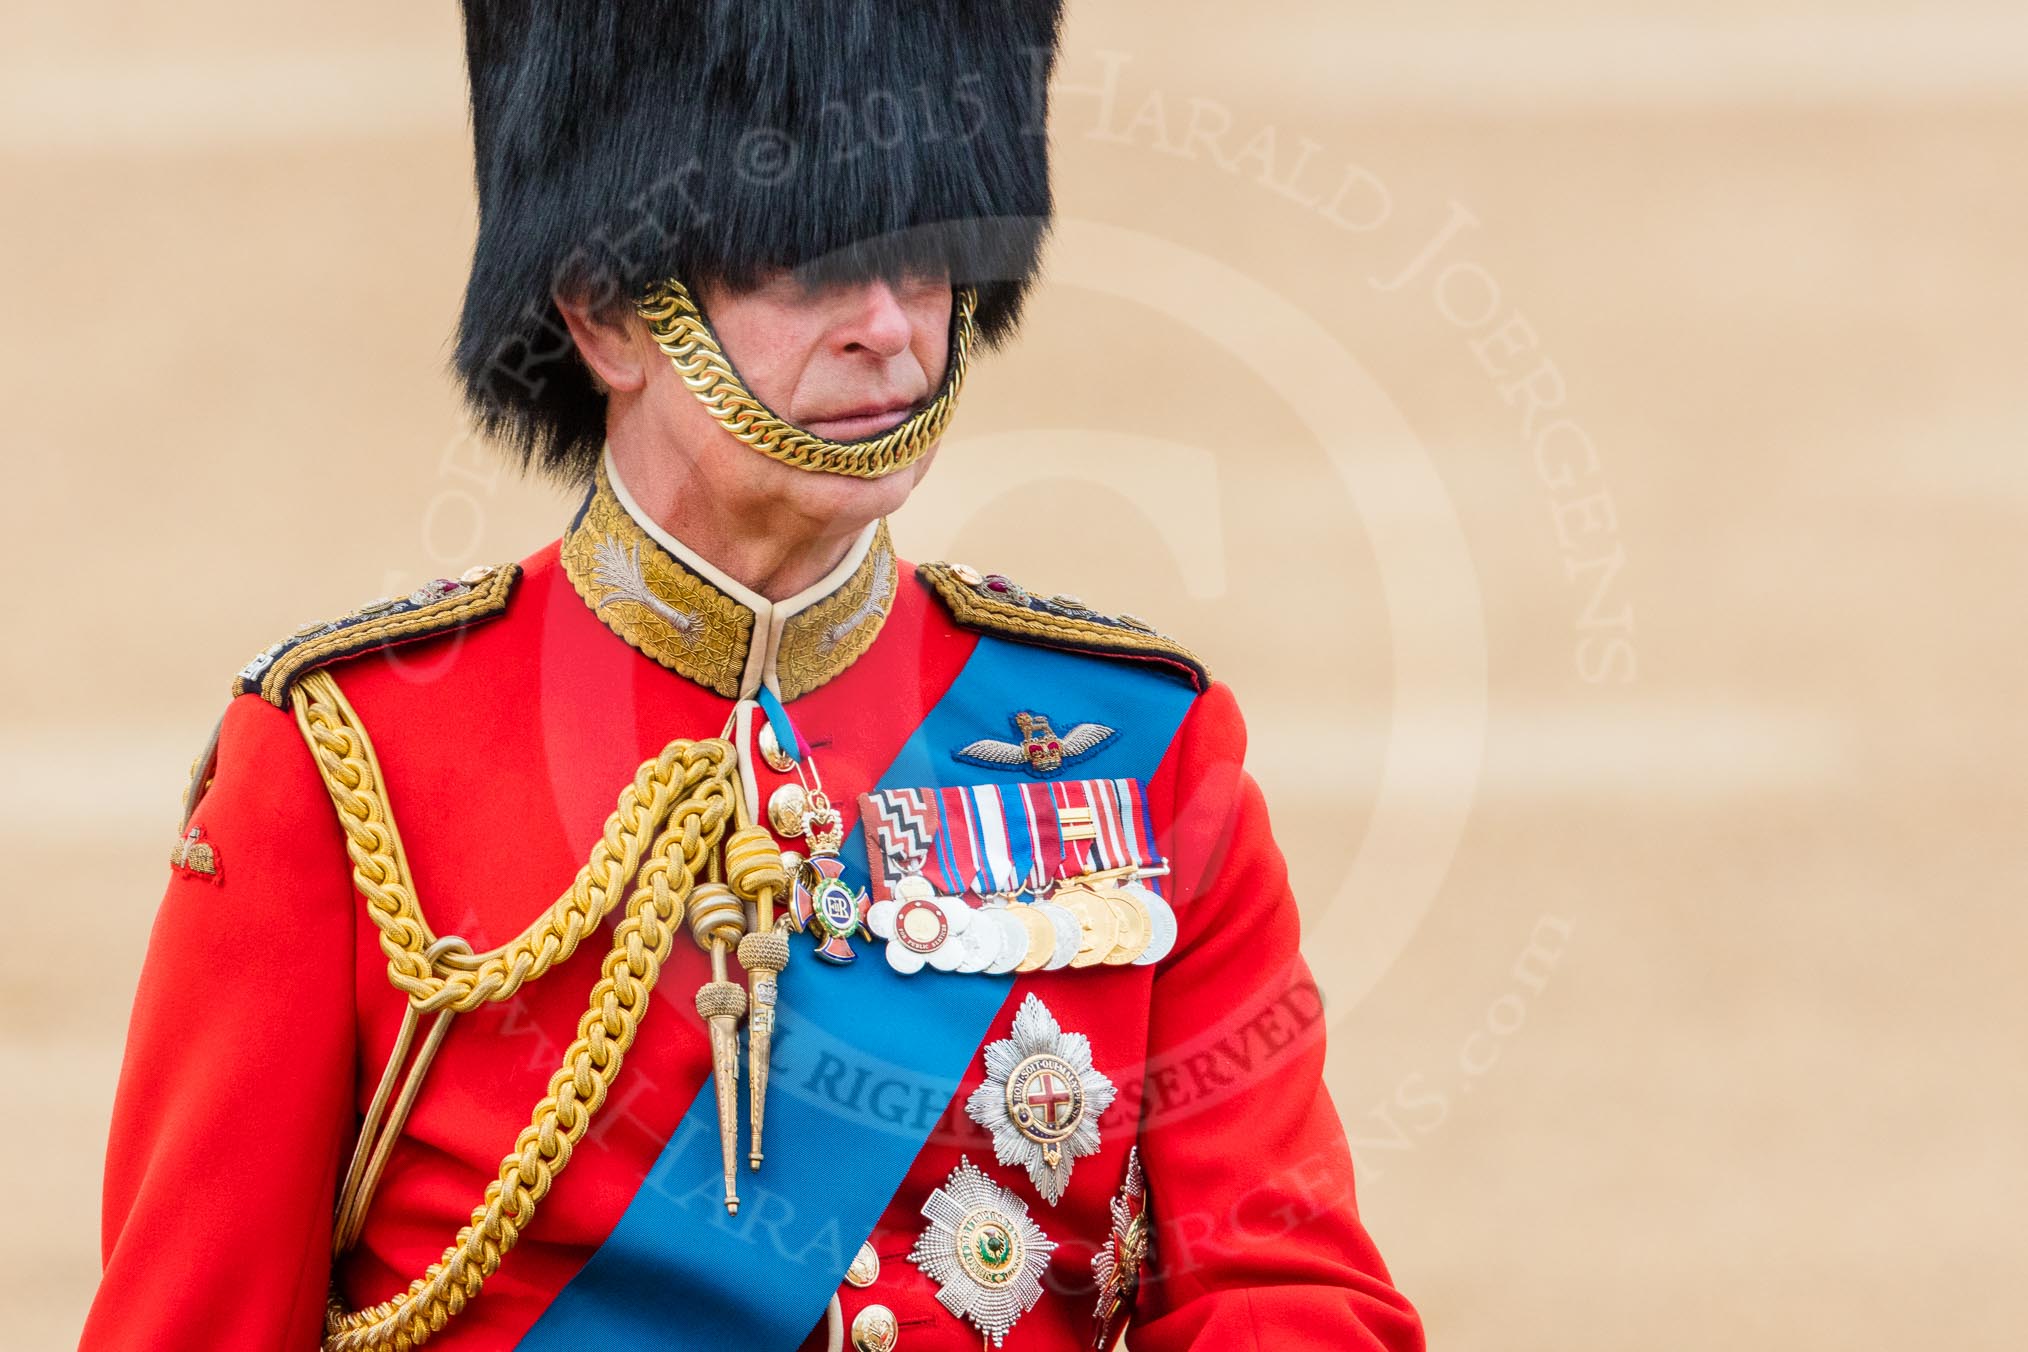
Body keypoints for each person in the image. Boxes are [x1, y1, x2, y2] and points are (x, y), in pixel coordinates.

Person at [81, 4, 1424, 1350]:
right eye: (806, 263)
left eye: (926, 248)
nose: (887, 325)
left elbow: (1287, 1295)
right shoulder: (347, 763)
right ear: (607, 315)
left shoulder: (1142, 751)